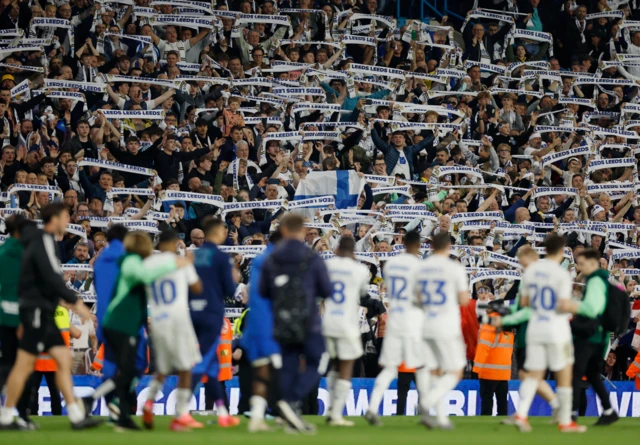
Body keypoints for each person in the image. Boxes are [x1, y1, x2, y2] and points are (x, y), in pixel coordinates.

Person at [0, 203, 99, 430]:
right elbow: (52, 279)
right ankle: (6, 417)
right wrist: (77, 304)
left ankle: (75, 416)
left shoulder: (49, 242)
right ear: (54, 218)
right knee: (23, 366)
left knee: (63, 361)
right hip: (35, 310)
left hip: (44, 311)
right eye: (66, 217)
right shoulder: (41, 240)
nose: (68, 221)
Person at [98, 231, 190, 431]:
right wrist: (174, 262)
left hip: (125, 325)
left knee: (130, 369)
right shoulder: (130, 261)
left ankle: (121, 414)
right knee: (129, 369)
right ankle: (110, 405)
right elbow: (146, 276)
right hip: (118, 324)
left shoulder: (132, 262)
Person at [259, 214, 332, 433]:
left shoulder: (272, 258)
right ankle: (291, 400)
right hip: (307, 319)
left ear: (282, 231)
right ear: (301, 232)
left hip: (281, 319)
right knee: (316, 361)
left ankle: (288, 410)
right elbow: (327, 290)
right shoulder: (311, 257)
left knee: (289, 363)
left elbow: (263, 291)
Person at [508, 234, 585, 433]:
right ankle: (566, 422)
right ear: (561, 251)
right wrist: (581, 307)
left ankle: (521, 414)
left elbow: (524, 303)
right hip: (556, 328)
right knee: (564, 374)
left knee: (534, 374)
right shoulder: (561, 274)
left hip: (535, 328)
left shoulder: (532, 272)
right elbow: (563, 304)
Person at [141, 230, 204, 432]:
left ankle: (149, 402)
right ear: (176, 243)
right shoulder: (182, 263)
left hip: (158, 321)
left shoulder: (148, 264)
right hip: (178, 319)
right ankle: (181, 414)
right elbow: (197, 288)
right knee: (186, 366)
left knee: (164, 368)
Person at [365, 231, 428, 427]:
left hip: (395, 320)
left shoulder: (391, 265)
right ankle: (425, 411)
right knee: (421, 367)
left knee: (391, 367)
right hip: (413, 322)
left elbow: (386, 287)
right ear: (416, 245)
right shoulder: (420, 267)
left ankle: (372, 407)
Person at [498, 246, 560, 425]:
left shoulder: (531, 278)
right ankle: (524, 413)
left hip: (533, 331)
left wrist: (506, 317)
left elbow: (525, 308)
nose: (520, 264)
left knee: (529, 375)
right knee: (529, 375)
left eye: (521, 260)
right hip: (541, 330)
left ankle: (548, 407)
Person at [189, 216, 240, 428]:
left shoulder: (193, 256)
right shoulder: (220, 257)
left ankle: (222, 411)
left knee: (210, 364)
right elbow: (230, 290)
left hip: (193, 313)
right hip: (211, 314)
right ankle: (182, 409)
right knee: (205, 363)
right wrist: (234, 277)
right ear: (217, 232)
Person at [558, 248, 618, 426]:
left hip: (590, 336)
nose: (579, 266)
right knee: (591, 375)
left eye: (582, 263)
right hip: (596, 336)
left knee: (576, 375)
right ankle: (608, 410)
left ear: (592, 263)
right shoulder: (599, 281)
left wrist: (572, 307)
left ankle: (572, 414)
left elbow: (593, 310)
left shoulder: (596, 282)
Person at [416, 232, 469, 429]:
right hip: (446, 325)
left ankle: (440, 418)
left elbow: (418, 297)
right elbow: (464, 300)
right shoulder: (454, 268)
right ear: (449, 247)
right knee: (456, 371)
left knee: (435, 371)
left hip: (427, 323)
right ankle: (426, 403)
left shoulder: (423, 268)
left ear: (431, 247)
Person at [323, 236, 370, 426]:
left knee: (333, 365)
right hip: (347, 324)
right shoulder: (359, 270)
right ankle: (335, 414)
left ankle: (330, 409)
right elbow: (362, 294)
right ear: (353, 252)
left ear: (337, 249)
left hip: (327, 321)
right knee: (346, 366)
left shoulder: (327, 266)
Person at [242, 230, 283, 433]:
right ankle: (277, 411)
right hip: (270, 325)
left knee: (262, 370)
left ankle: (258, 414)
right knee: (276, 369)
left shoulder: (258, 261)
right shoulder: (276, 263)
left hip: (255, 324)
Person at [0, 215, 34, 427]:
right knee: (24, 367)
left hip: (3, 316)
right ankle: (21, 414)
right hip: (21, 318)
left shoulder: (2, 252)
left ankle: (11, 414)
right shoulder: (24, 255)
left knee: (7, 364)